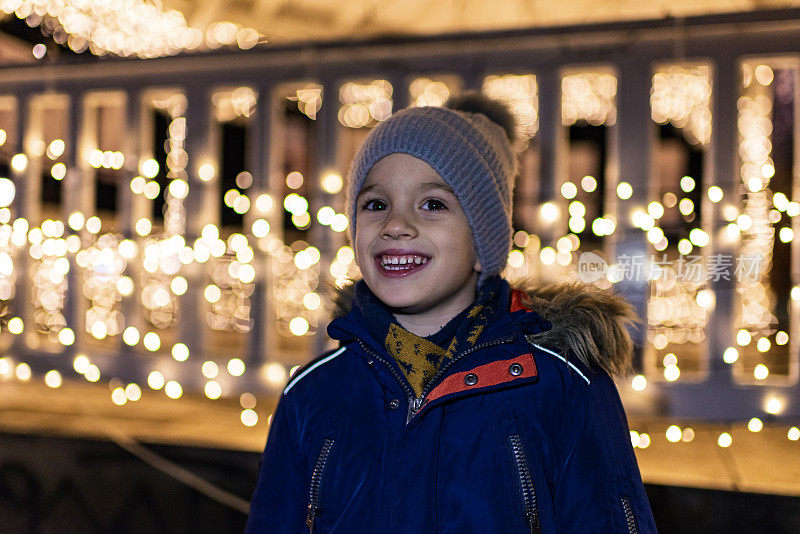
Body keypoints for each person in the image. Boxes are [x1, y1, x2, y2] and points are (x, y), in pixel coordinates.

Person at [245, 92, 657, 533]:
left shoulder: (561, 385)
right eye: (376, 204)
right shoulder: (313, 393)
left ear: (484, 243)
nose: (396, 225)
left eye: (433, 204)